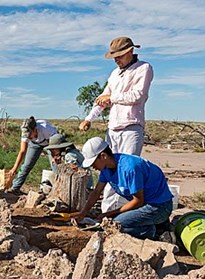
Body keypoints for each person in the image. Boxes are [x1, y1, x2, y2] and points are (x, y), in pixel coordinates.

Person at [78, 36, 153, 213]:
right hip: (113, 129)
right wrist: (89, 118)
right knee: (109, 173)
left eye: (119, 56)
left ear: (130, 52)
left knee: (126, 173)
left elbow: (138, 96)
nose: (116, 60)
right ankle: (107, 214)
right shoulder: (115, 74)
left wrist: (112, 98)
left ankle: (123, 214)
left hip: (131, 128)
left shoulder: (143, 68)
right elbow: (102, 99)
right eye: (114, 57)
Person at [74, 137, 173, 240]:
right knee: (114, 221)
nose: (93, 167)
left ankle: (156, 232)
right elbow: (96, 192)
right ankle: (151, 223)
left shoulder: (130, 168)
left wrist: (109, 214)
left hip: (159, 206)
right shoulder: (106, 169)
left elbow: (138, 200)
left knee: (116, 225)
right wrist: (83, 213)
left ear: (103, 156)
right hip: (144, 205)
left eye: (93, 163)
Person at [7, 116, 58, 194]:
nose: (28, 137)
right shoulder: (25, 132)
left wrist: (54, 157)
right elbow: (22, 151)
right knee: (26, 165)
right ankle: (15, 188)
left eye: (30, 135)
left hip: (51, 143)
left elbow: (55, 145)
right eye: (26, 136)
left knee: (55, 165)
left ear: (35, 129)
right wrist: (14, 168)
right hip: (35, 144)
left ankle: (58, 190)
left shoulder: (46, 129)